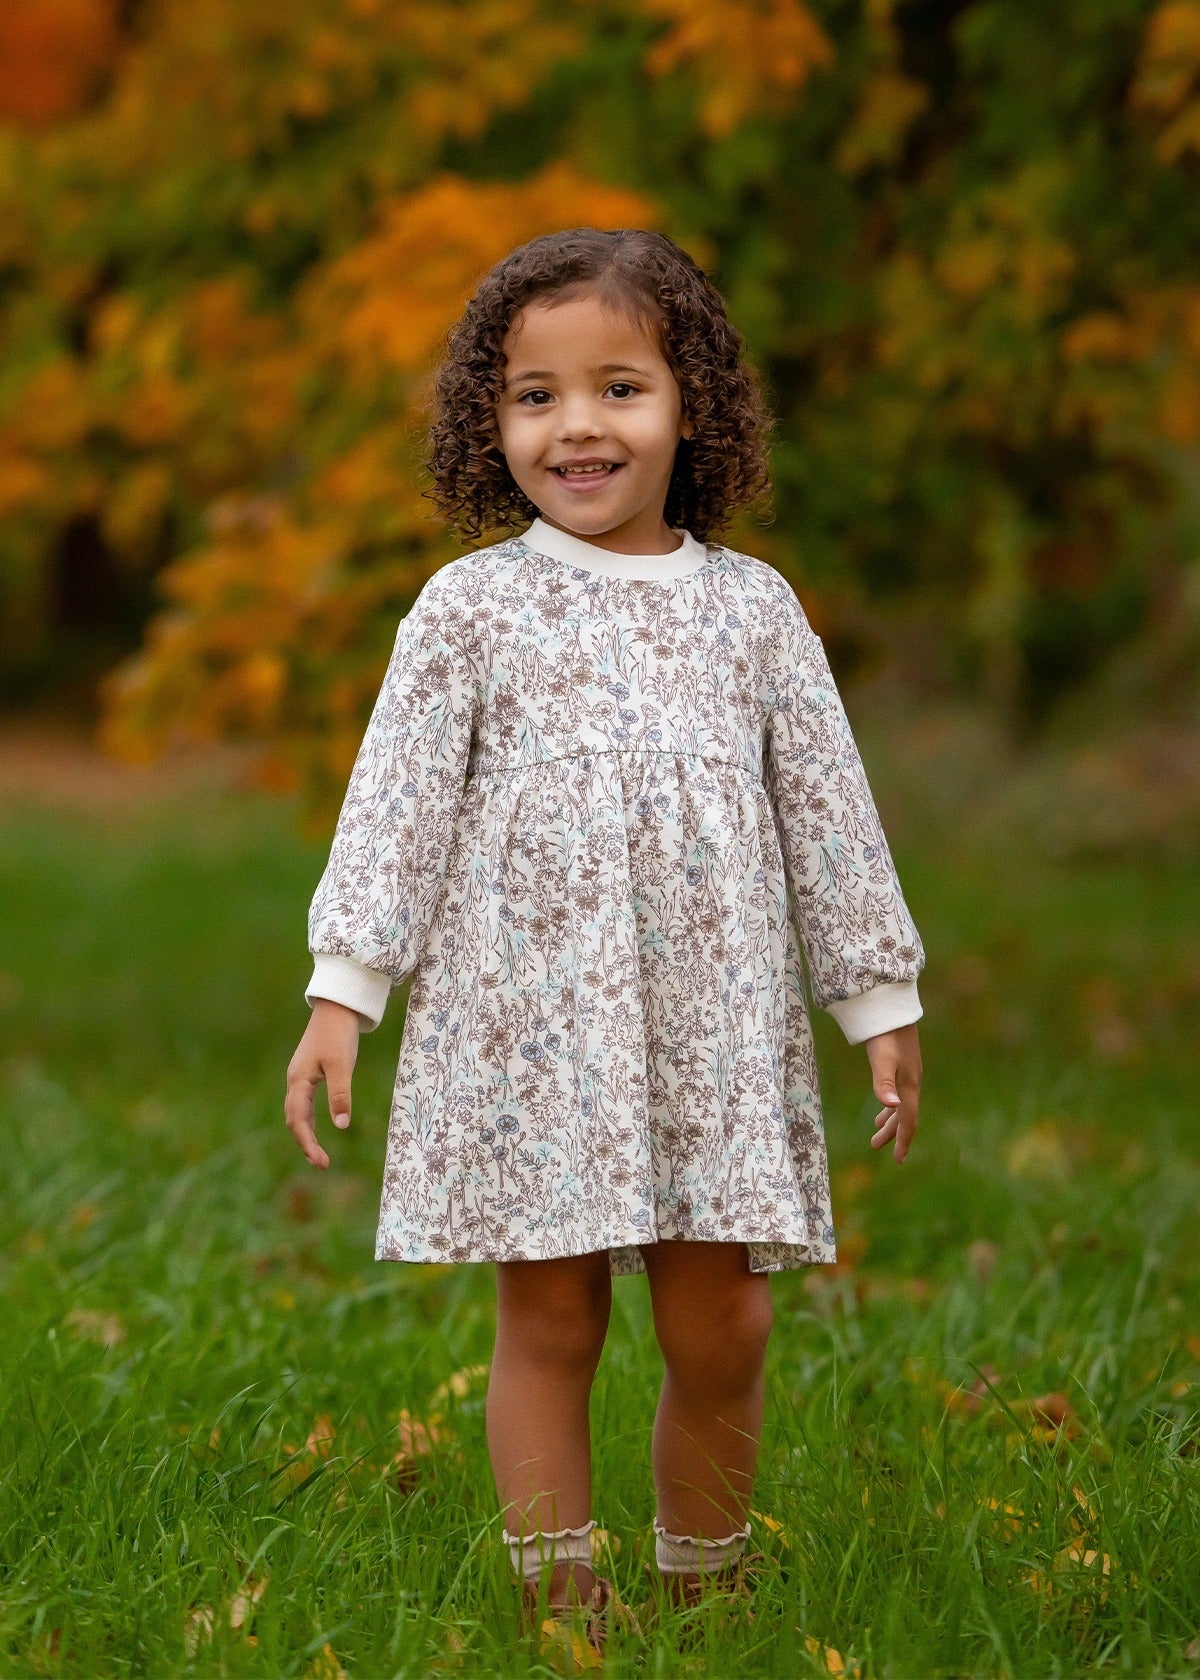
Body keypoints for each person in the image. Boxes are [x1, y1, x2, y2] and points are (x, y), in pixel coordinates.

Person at [284, 227, 925, 1648]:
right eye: (534, 396)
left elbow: (827, 812)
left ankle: (706, 1588)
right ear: (489, 422)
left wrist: (879, 999)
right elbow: (394, 806)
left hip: (710, 1027)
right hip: (536, 1028)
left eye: (618, 387)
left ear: (690, 403)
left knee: (724, 1328)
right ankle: (563, 1605)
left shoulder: (751, 611)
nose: (577, 425)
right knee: (555, 1321)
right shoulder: (472, 609)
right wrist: (346, 992)